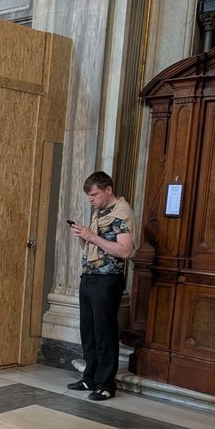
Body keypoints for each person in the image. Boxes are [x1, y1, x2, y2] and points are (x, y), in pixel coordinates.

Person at [67, 171, 136, 401]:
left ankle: (106, 384)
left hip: (107, 281)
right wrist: (83, 235)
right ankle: (90, 377)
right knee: (89, 332)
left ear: (108, 189)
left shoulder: (122, 214)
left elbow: (125, 251)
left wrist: (92, 237)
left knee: (105, 333)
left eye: (94, 194)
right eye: (89, 195)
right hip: (89, 277)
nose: (91, 199)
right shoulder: (100, 213)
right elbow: (94, 248)